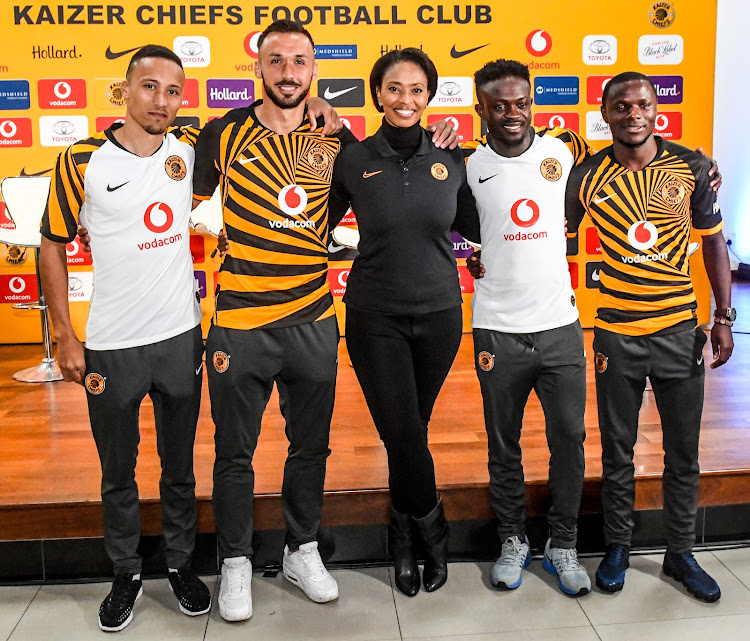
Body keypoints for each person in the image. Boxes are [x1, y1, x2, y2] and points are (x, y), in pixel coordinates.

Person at [192, 22, 457, 620]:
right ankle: (235, 561)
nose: (288, 73)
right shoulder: (218, 134)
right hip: (238, 320)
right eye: (276, 61)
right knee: (234, 452)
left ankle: (301, 548)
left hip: (313, 318)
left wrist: (445, 137)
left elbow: (397, 170)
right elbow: (172, 186)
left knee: (310, 448)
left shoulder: (342, 143)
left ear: (315, 72)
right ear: (257, 68)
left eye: (300, 63)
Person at [39, 45, 211, 632]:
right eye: (149, 88)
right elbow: (53, 243)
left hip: (181, 337)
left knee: (180, 467)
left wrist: (318, 101)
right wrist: (64, 333)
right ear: (125, 90)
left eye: (172, 91)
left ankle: (182, 566)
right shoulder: (81, 158)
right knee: (118, 470)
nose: (161, 101)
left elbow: (262, 126)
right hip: (111, 344)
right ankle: (125, 572)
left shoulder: (188, 154)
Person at [565, 71, 734, 602]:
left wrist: (724, 317)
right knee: (617, 450)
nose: (633, 114)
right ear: (605, 113)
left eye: (642, 104)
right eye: (621, 106)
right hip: (616, 336)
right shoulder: (586, 176)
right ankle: (618, 546)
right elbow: (551, 237)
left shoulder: (693, 168)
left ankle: (680, 552)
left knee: (683, 452)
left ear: (656, 109)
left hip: (680, 331)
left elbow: (713, 245)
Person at [327, 48, 480, 597]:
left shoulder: (452, 156)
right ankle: (429, 531)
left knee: (409, 429)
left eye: (417, 89)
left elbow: (480, 220)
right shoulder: (352, 158)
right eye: (394, 89)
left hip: (440, 312)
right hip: (375, 314)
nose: (406, 100)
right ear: (377, 95)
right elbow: (312, 221)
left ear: (430, 97)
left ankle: (401, 531)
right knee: (403, 427)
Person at [462, 59, 594, 596]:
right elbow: (458, 226)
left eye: (521, 102)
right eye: (500, 104)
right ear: (481, 109)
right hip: (497, 328)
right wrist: (473, 257)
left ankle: (562, 543)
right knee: (503, 444)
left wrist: (695, 161)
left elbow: (626, 161)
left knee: (570, 439)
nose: (512, 113)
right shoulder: (467, 166)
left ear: (532, 104)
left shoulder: (563, 152)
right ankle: (513, 539)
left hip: (560, 325)